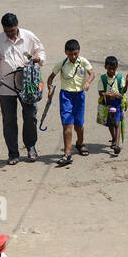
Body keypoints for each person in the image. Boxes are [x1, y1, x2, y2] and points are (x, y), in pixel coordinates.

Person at [0, 13, 46, 165]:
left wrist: (38, 59)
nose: (11, 34)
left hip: (27, 84)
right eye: (8, 31)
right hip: (5, 86)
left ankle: (31, 147)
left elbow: (40, 51)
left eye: (13, 31)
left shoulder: (29, 36)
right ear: (3, 29)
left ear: (17, 26)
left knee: (30, 115)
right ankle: (13, 153)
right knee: (9, 120)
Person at [48, 39, 94, 167]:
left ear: (78, 52)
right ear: (66, 52)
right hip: (66, 97)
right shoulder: (61, 63)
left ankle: (80, 143)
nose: (73, 57)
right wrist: (50, 88)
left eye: (75, 54)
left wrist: (88, 82)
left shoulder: (83, 62)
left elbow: (92, 73)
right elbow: (50, 78)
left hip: (79, 96)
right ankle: (67, 154)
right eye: (70, 54)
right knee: (67, 125)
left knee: (79, 125)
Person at [96, 56, 128, 155]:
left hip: (118, 103)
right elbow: (100, 92)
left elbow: (123, 91)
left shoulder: (119, 78)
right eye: (109, 68)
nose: (111, 71)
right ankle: (114, 138)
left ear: (117, 67)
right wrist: (110, 94)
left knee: (117, 123)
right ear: (105, 67)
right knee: (110, 123)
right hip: (108, 104)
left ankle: (117, 145)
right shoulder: (102, 78)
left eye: (113, 69)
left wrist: (127, 81)